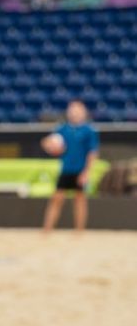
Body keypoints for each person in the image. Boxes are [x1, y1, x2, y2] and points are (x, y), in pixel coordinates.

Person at [42, 99, 100, 234]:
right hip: (66, 169)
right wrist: (50, 146)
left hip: (80, 170)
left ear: (84, 112)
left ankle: (79, 231)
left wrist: (86, 172)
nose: (74, 113)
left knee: (80, 200)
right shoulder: (62, 129)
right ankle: (47, 230)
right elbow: (47, 142)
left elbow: (93, 153)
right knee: (56, 198)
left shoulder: (89, 131)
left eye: (78, 110)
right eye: (72, 110)